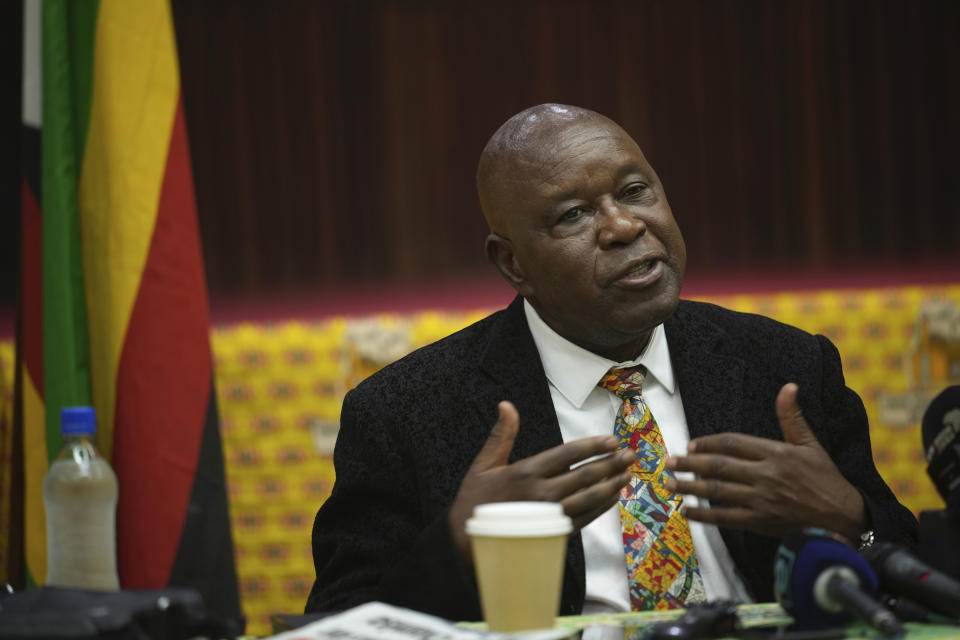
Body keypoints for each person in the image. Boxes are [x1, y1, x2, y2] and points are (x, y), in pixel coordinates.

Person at [306, 104, 917, 620]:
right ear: (512, 264)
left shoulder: (785, 365)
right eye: (573, 215)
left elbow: (910, 574)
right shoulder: (405, 411)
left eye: (634, 192)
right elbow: (339, 621)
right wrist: (457, 548)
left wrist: (849, 520)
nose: (625, 227)